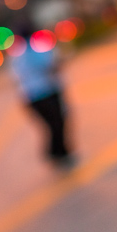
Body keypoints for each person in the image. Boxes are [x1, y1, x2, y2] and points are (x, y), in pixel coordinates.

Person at [10, 26, 73, 166]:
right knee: (58, 123)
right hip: (47, 91)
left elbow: (15, 78)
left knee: (51, 125)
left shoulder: (16, 55)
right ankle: (57, 152)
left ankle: (58, 152)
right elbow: (51, 65)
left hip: (31, 97)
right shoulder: (39, 48)